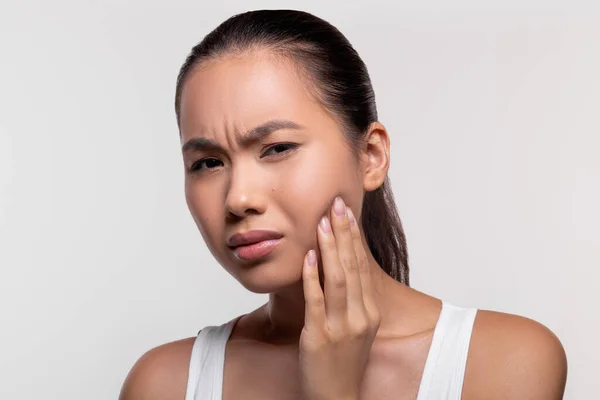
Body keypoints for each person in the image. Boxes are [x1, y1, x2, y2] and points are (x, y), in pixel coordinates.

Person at [119, 9, 567, 400]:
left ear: (371, 156)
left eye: (276, 149)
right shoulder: (164, 384)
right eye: (208, 162)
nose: (238, 199)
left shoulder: (504, 363)